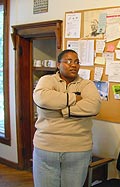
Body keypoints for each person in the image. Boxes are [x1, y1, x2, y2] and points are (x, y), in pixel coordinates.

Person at [32, 49, 101, 187]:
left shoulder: (87, 85)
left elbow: (93, 107)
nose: (73, 65)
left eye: (76, 62)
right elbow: (43, 99)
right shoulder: (46, 80)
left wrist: (62, 110)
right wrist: (75, 97)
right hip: (46, 148)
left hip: (78, 150)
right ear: (58, 64)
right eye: (68, 61)